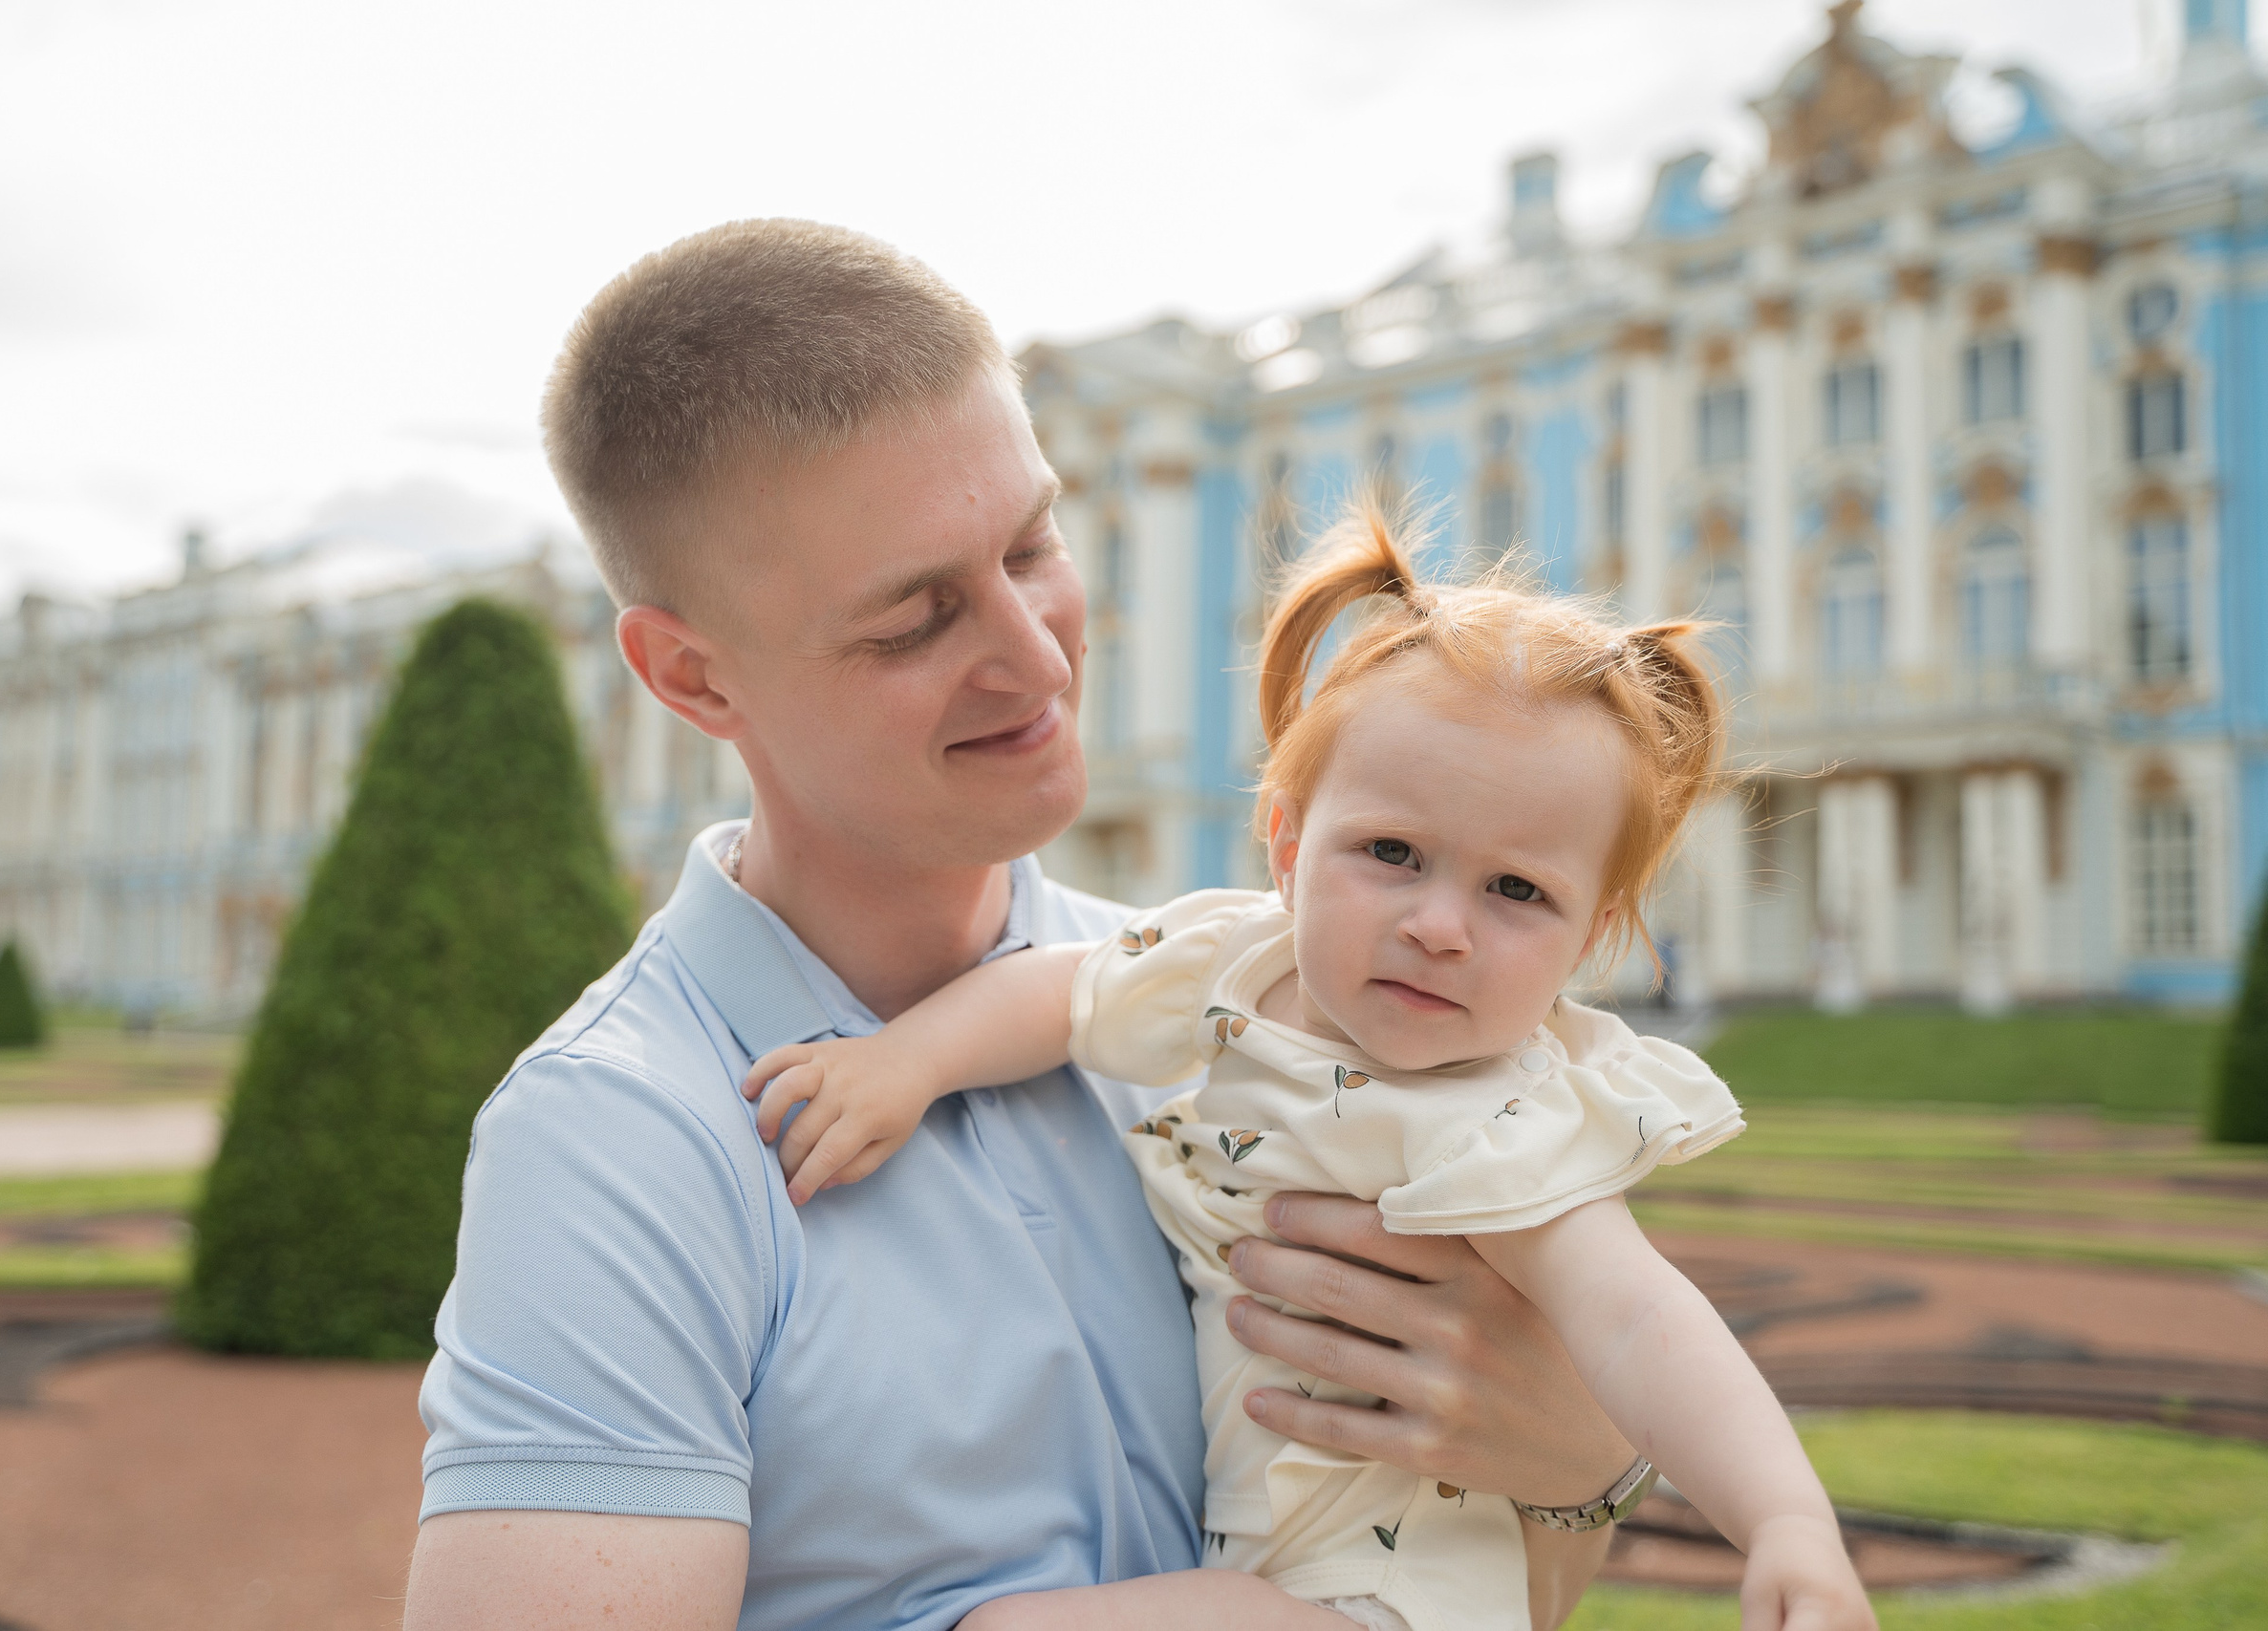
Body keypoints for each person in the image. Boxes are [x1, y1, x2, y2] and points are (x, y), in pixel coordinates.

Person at [402, 221, 1647, 1631]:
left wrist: (1574, 1467)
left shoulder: (1257, 1012)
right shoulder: (619, 1140)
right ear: (692, 675)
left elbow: (1471, 1586)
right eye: (915, 619)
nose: (1040, 650)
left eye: (1033, 543)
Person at [743, 513, 1878, 1631]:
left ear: (1591, 939)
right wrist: (904, 1064)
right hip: (1241, 1558)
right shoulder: (1232, 964)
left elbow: (1641, 1325)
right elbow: (1058, 990)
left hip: (1385, 1599)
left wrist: (1786, 1525)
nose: (1441, 926)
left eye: (1516, 891)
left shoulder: (1509, 1119)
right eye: (1392, 854)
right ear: (1285, 845)